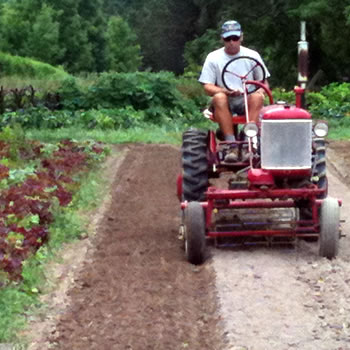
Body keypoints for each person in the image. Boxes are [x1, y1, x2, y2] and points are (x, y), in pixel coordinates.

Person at [198, 20, 270, 161]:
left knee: (258, 97)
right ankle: (231, 144)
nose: (232, 42)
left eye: (235, 38)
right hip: (226, 101)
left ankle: (248, 140)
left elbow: (263, 83)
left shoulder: (252, 55)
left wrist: (260, 91)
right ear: (222, 39)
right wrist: (225, 91)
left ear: (241, 38)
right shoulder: (213, 58)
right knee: (218, 97)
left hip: (247, 98)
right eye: (228, 39)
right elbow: (207, 86)